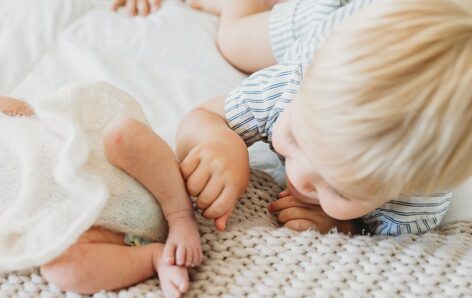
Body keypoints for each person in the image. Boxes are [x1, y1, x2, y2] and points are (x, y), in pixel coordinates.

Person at [176, 0, 472, 235]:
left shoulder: (411, 208)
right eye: (293, 136)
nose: (300, 177)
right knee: (234, 41)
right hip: (334, 19)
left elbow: (379, 243)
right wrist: (222, 141)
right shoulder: (295, 87)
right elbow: (203, 116)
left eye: (337, 189)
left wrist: (344, 226)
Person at [0, 83, 202, 298]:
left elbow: (25, 112)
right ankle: (153, 257)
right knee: (60, 268)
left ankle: (180, 214)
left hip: (110, 167)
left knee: (122, 133)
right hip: (87, 224)